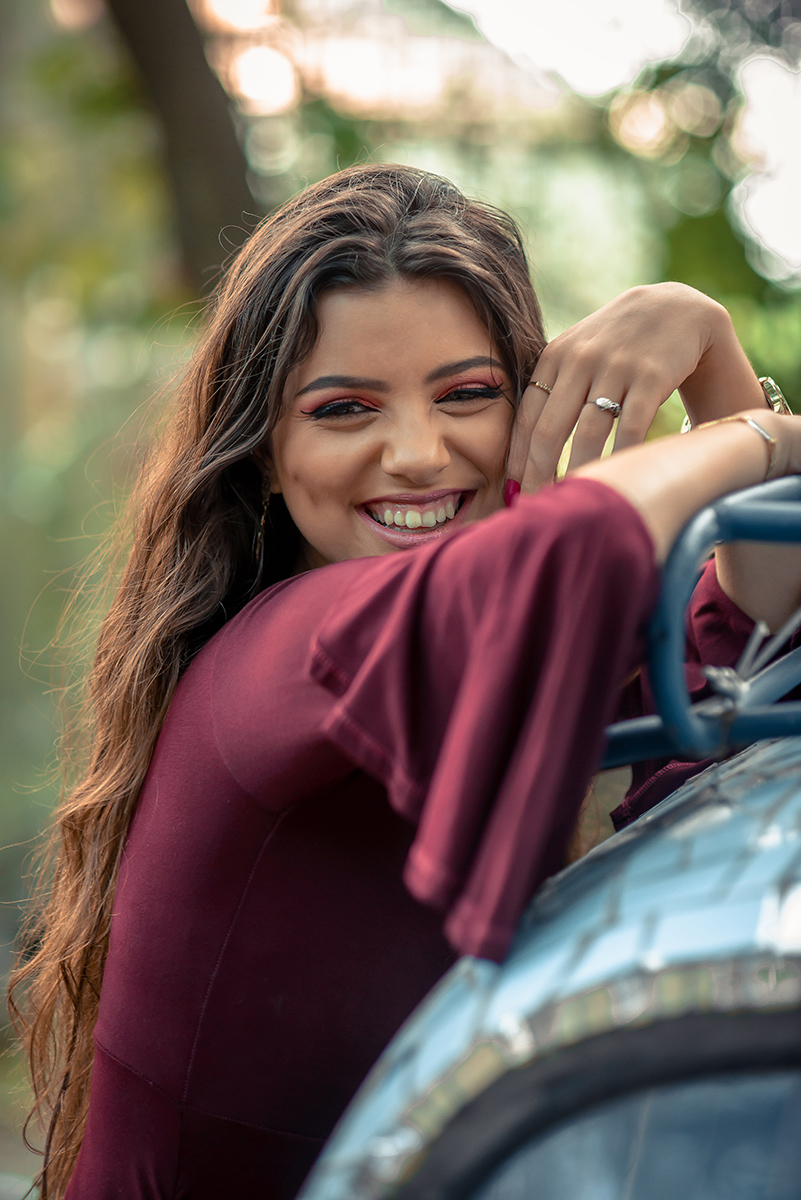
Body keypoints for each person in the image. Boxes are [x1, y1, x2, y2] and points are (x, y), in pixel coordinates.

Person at [10, 163, 801, 1200]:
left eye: (467, 394)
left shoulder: (496, 648)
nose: (420, 454)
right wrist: (758, 435)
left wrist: (708, 341)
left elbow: (764, 615)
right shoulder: (282, 659)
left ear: (529, 404)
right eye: (344, 409)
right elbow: (578, 542)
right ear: (264, 452)